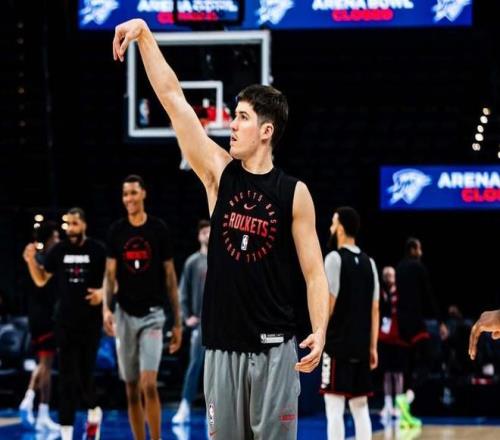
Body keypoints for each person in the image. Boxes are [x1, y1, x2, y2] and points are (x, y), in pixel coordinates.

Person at [112, 19, 329, 439]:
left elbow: (315, 272)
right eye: (234, 115)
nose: (231, 124)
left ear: (266, 131)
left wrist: (319, 330)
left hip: (275, 349)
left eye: (242, 117)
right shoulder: (218, 173)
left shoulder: (294, 193)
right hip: (222, 347)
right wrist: (145, 36)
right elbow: (174, 100)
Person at [103, 174, 182, 440]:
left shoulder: (158, 229)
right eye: (125, 194)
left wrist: (178, 322)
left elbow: (170, 277)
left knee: (149, 384)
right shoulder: (116, 231)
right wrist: (106, 309)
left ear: (144, 194)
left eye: (134, 193)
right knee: (131, 388)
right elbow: (109, 275)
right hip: (125, 314)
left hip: (153, 316)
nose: (129, 198)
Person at [23, 208, 106, 440]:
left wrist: (102, 293)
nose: (71, 228)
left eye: (75, 224)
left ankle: (94, 411)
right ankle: (66, 432)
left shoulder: (97, 250)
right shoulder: (59, 251)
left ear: (84, 225)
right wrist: (30, 261)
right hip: (65, 322)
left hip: (90, 323)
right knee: (66, 379)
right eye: (68, 224)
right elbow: (41, 279)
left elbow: (112, 280)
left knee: (85, 375)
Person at [320, 207, 379, 440]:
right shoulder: (370, 263)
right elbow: (375, 309)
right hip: (361, 347)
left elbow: (329, 304)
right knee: (360, 406)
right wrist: (373, 347)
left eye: (333, 223)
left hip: (337, 346)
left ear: (341, 229)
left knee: (333, 407)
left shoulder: (334, 258)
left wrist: (319, 335)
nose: (330, 228)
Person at [395, 237, 448, 429]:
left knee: (408, 366)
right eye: (419, 249)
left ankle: (405, 416)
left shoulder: (399, 268)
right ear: (412, 250)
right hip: (415, 322)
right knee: (429, 357)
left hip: (400, 324)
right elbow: (429, 295)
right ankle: (407, 398)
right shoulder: (418, 267)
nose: (421, 252)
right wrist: (440, 322)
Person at [19, 221, 60, 431]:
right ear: (49, 238)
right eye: (56, 236)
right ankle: (43, 412)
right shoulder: (45, 259)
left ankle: (28, 399)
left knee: (42, 363)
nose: (58, 240)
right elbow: (41, 281)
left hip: (34, 315)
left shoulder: (33, 256)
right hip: (45, 317)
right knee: (46, 365)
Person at [172, 220, 210, 424]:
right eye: (204, 232)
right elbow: (182, 292)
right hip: (201, 322)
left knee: (219, 369)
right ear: (199, 236)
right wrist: (187, 317)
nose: (208, 235)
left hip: (221, 323)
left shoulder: (224, 259)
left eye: (210, 231)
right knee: (195, 364)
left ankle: (214, 410)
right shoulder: (192, 262)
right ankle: (185, 405)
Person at [378, 266, 409, 423]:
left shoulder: (401, 292)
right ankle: (388, 404)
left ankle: (399, 405)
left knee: (398, 374)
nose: (388, 277)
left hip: (399, 338)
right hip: (384, 337)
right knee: (387, 373)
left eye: (391, 275)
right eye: (386, 275)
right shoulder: (380, 292)